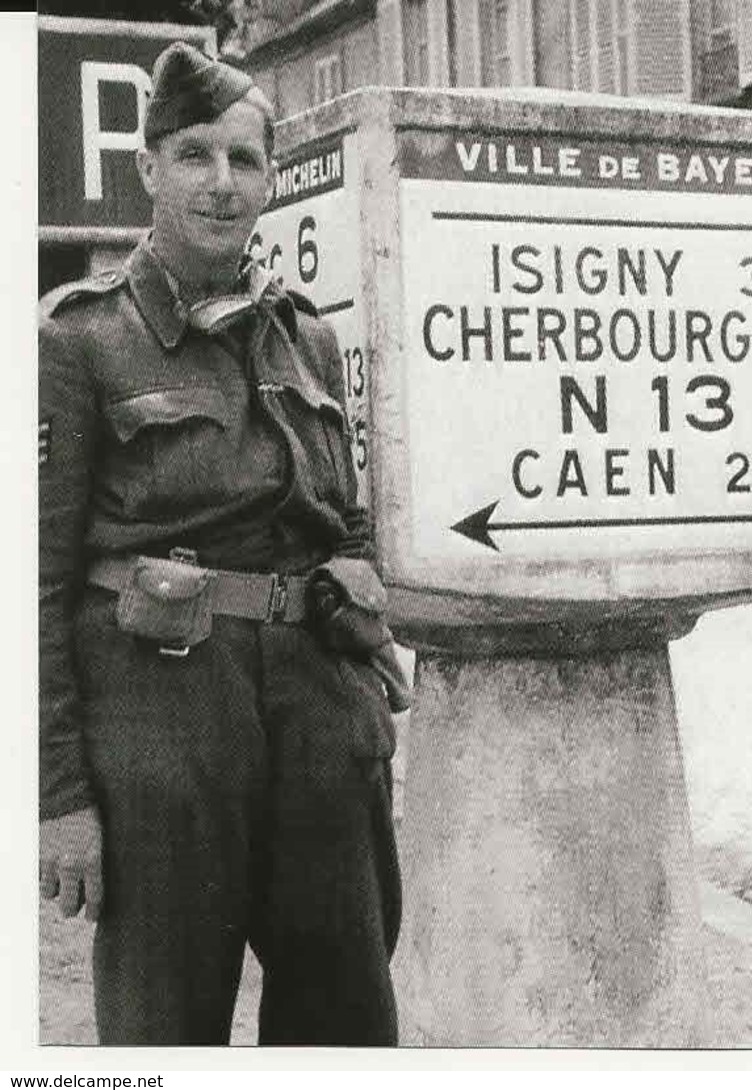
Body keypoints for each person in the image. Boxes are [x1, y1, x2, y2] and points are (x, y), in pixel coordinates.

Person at [38, 42, 407, 1045]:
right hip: (161, 734)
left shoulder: (308, 335)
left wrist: (360, 624)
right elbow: (26, 587)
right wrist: (57, 798)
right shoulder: (76, 340)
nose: (221, 182)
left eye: (245, 160)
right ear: (149, 169)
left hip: (319, 730)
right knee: (165, 1036)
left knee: (346, 1027)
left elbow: (348, 515)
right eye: (195, 155)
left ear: (270, 179)